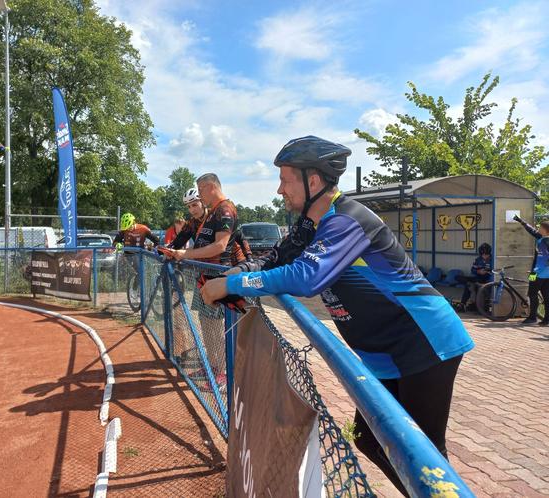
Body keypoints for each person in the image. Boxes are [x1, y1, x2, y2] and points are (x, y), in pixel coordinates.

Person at [200, 135, 474, 496]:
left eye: (285, 178)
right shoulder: (309, 225)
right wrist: (240, 271)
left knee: (426, 456)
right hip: (387, 351)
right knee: (370, 439)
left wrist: (237, 285)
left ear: (313, 181)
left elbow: (307, 277)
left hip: (424, 340)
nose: (279, 189)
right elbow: (278, 258)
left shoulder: (347, 220)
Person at [166, 175, 240, 392]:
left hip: (219, 275)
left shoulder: (225, 209)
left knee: (218, 327)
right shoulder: (213, 212)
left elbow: (219, 247)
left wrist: (185, 254)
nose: (199, 195)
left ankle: (224, 373)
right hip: (205, 275)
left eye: (200, 190)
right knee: (206, 323)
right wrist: (175, 250)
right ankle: (213, 367)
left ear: (209, 187)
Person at [514, 215, 549, 325]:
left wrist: (536, 270)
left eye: (540, 228)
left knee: (532, 294)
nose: (538, 229)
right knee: (547, 296)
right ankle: (546, 319)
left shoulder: (544, 241)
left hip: (537, 272)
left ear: (545, 230)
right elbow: (532, 231)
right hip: (547, 274)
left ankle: (532, 317)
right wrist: (521, 221)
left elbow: (544, 258)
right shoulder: (543, 238)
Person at [455, 243, 493, 311]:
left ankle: (463, 303)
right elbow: (473, 269)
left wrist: (487, 273)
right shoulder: (478, 259)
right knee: (458, 277)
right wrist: (478, 271)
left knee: (470, 286)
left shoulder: (493, 260)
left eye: (486, 254)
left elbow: (495, 272)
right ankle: (469, 285)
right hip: (478, 278)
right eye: (482, 254)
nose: (484, 256)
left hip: (487, 279)